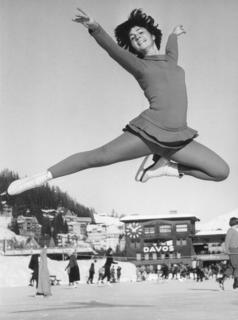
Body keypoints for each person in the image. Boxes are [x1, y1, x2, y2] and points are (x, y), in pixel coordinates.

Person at [6, 7, 229, 197]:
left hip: (178, 138)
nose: (137, 36)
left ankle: (164, 168)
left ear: (152, 35)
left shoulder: (171, 61)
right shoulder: (139, 65)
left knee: (220, 172)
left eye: (141, 32)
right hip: (149, 133)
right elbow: (113, 49)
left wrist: (174, 34)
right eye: (133, 37)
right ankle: (41, 177)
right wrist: (95, 27)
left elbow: (171, 50)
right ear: (132, 46)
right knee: (100, 156)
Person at [217, 217, 238, 290]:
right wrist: (227, 250)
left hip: (235, 250)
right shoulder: (231, 230)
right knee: (237, 266)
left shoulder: (234, 230)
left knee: (231, 268)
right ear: (235, 223)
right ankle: (236, 282)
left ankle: (221, 280)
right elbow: (227, 241)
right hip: (234, 251)